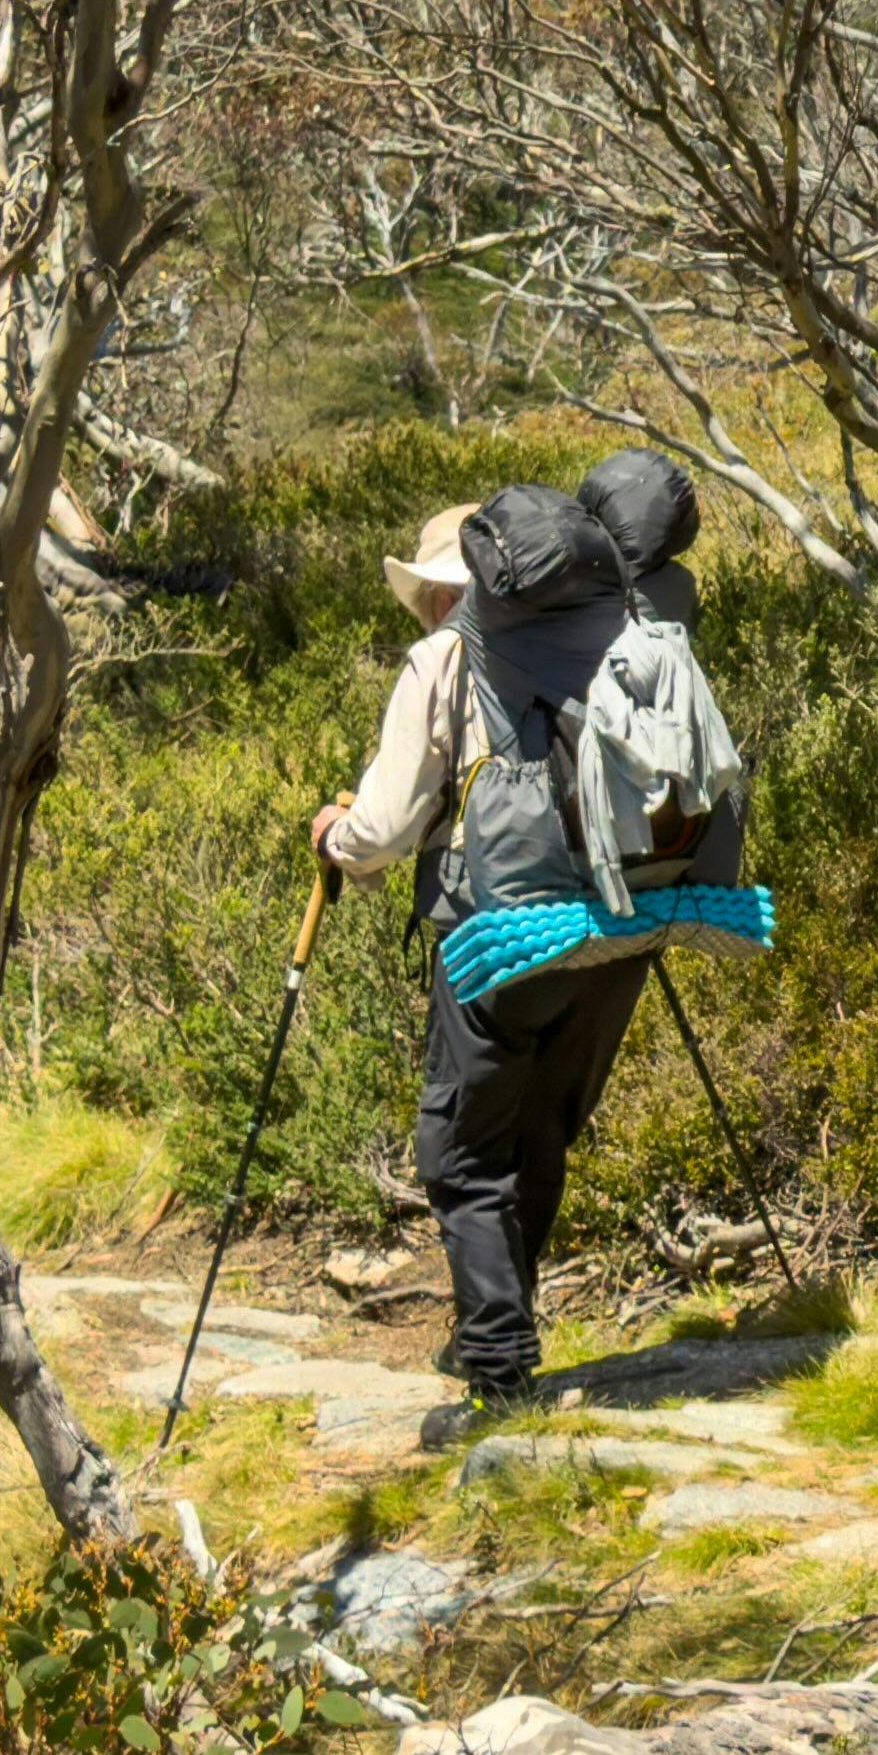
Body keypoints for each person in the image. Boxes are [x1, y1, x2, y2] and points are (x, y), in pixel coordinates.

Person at [321, 452, 723, 1400]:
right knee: (542, 1135)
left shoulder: (446, 657)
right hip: (625, 929)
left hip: (499, 936)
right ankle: (490, 1330)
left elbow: (379, 830)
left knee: (462, 1153)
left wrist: (335, 838)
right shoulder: (624, 630)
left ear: (448, 589)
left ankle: (497, 1372)